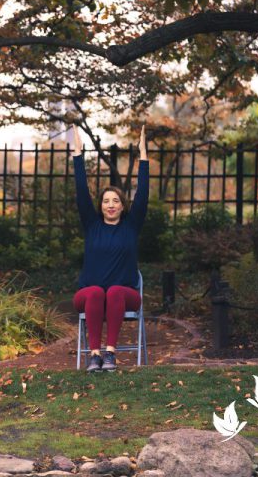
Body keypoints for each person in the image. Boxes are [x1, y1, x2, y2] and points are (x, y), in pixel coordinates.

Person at [72, 124, 148, 372]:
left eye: (116, 201)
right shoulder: (92, 225)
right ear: (101, 206)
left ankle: (110, 354)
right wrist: (77, 156)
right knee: (95, 292)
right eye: (106, 201)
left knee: (114, 291)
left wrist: (143, 157)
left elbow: (143, 194)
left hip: (125, 296)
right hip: (89, 295)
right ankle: (94, 355)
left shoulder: (131, 226)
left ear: (123, 206)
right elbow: (82, 191)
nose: (111, 205)